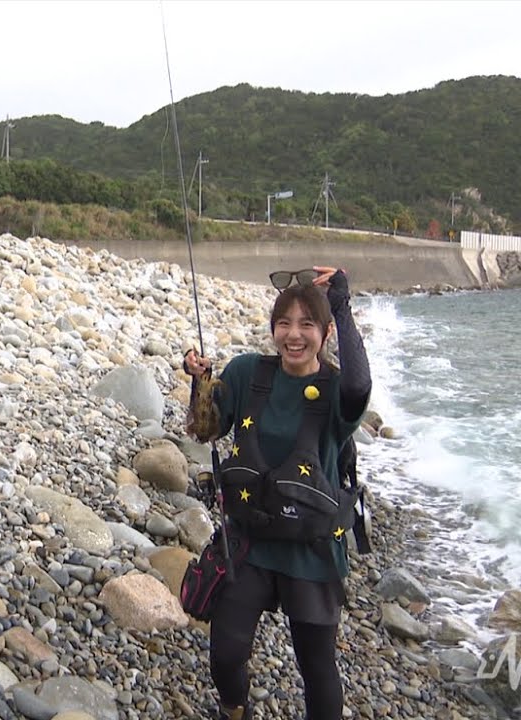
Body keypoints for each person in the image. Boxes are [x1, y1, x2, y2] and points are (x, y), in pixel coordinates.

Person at [182, 265, 371, 720]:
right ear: (272, 328)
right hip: (250, 542)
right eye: (284, 323)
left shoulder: (335, 390)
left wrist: (341, 306)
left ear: (325, 333)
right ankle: (234, 710)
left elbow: (360, 383)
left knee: (317, 666)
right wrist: (199, 381)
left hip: (312, 550)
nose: (294, 335)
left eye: (308, 324)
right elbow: (205, 429)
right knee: (226, 652)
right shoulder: (249, 372)